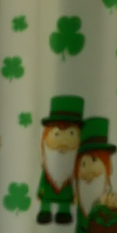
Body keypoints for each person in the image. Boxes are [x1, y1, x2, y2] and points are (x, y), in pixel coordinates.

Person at [36, 95, 82, 224]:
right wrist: (40, 191)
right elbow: (43, 180)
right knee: (46, 199)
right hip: (49, 190)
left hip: (66, 190)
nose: (63, 142)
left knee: (65, 200)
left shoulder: (71, 171)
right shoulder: (48, 168)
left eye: (71, 134)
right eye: (57, 134)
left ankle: (64, 211)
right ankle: (45, 210)